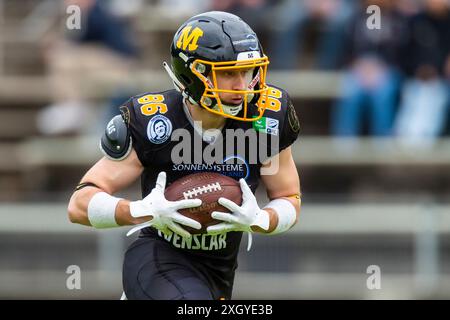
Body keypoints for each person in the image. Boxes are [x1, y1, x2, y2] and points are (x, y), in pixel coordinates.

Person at [68, 11, 301, 300]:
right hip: (158, 259)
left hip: (218, 271)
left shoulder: (266, 118)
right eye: (228, 73)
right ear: (192, 74)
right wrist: (141, 210)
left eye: (248, 71)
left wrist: (261, 219)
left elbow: (290, 197)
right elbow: (79, 204)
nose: (242, 85)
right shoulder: (154, 121)